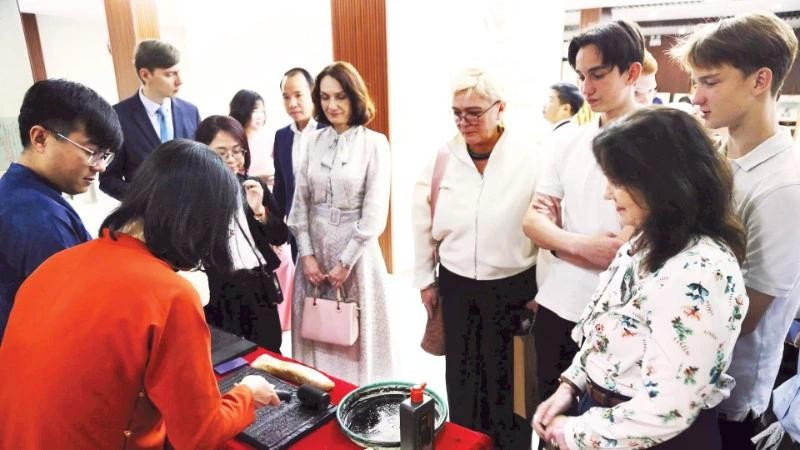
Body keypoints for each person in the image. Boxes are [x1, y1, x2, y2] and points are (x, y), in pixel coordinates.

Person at [0, 139, 280, 448]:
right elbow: (199, 434)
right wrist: (247, 393)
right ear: (202, 224)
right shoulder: (170, 294)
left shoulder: (56, 263)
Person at [533, 107, 749, 449]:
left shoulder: (701, 271)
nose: (607, 193)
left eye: (617, 181)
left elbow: (668, 409)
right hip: (608, 419)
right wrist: (571, 385)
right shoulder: (646, 240)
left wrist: (572, 432)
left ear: (661, 182)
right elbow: (607, 330)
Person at [671, 12, 800, 450]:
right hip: (681, 380)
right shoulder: (713, 157)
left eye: (710, 82)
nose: (696, 96)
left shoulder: (784, 186)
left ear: (760, 80)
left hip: (728, 399)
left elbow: (745, 316)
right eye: (695, 82)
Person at [412, 68, 539, 448]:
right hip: (457, 286)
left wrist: (543, 291)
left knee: (513, 387)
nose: (464, 121)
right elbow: (421, 222)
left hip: (515, 287)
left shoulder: (529, 157)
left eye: (474, 112)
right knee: (463, 378)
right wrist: (425, 280)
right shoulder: (443, 158)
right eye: (457, 113)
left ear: (500, 109)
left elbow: (547, 225)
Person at [522, 20, 642, 418]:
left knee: (600, 427)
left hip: (620, 316)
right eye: (580, 76)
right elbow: (533, 222)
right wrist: (576, 247)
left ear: (632, 72)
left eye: (598, 74)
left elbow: (625, 251)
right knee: (549, 419)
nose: (586, 87)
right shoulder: (567, 140)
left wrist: (557, 242)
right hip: (558, 304)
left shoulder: (657, 142)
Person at [288, 61, 392, 385]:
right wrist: (306, 255)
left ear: (355, 97)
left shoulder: (375, 143)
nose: (331, 105)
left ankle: (357, 398)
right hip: (314, 252)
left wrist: (345, 262)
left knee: (355, 333)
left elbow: (375, 214)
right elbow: (299, 204)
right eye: (325, 97)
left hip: (356, 255)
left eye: (340, 97)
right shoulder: (311, 141)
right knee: (315, 327)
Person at [0, 79, 122, 342]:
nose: (100, 166)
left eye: (105, 155)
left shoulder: (16, 192)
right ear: (40, 138)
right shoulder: (38, 218)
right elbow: (74, 321)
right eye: (92, 151)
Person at [196, 115, 288, 352]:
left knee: (269, 350)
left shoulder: (253, 185)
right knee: (228, 355)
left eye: (237, 151)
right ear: (202, 152)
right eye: (221, 152)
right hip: (219, 286)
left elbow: (280, 236)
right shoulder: (196, 195)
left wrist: (260, 211)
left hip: (258, 282)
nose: (231, 159)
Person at [100, 39, 201, 200]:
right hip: (145, 212)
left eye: (179, 72)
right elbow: (108, 180)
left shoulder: (191, 112)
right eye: (170, 74)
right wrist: (145, 200)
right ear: (145, 75)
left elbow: (202, 166)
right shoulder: (119, 116)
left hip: (191, 209)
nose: (179, 81)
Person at [274, 67, 319, 260]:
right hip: (297, 230)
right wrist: (276, 230)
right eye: (286, 97)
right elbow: (280, 187)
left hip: (326, 229)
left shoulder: (329, 131)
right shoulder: (282, 136)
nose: (292, 103)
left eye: (298, 95)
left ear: (312, 93)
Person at [230, 89, 273, 184]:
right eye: (255, 111)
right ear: (242, 111)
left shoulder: (269, 137)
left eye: (262, 111)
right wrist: (260, 178)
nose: (260, 116)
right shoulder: (232, 141)